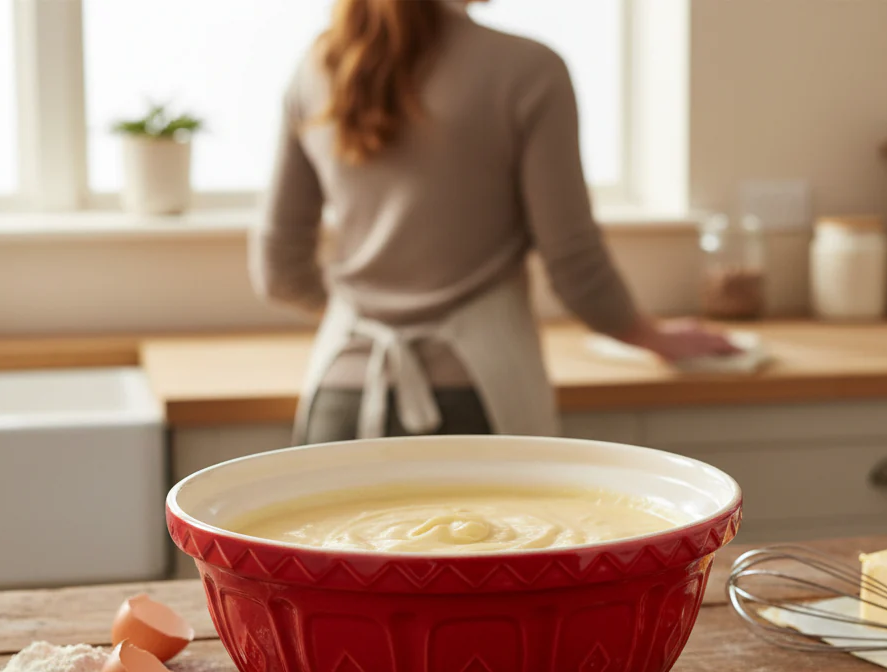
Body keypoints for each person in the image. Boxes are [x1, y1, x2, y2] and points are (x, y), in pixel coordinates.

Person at [251, 0, 735, 444]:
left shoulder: (319, 68)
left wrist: (365, 313)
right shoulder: (528, 69)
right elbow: (574, 263)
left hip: (339, 402)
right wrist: (649, 336)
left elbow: (278, 271)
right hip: (476, 399)